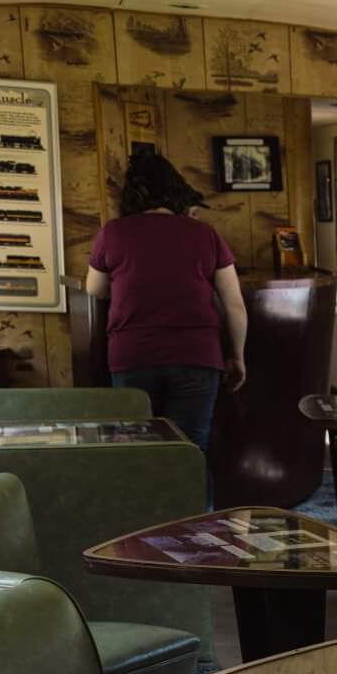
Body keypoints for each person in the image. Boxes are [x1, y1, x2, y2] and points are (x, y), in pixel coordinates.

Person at [86, 148, 247, 451]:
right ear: (177, 191)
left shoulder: (114, 233)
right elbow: (234, 304)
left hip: (133, 357)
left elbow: (94, 289)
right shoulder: (205, 234)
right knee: (190, 450)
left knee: (137, 450)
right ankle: (198, 501)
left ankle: (142, 500)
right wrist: (237, 356)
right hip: (197, 357)